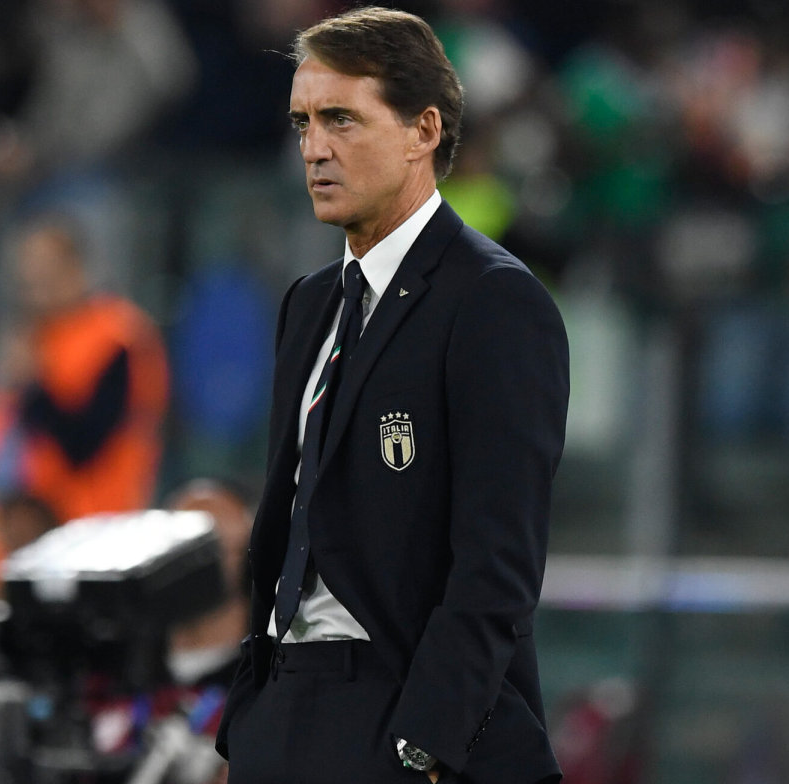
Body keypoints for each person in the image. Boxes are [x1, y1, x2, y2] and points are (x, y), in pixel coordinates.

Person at [215, 8, 569, 784]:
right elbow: (288, 521)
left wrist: (426, 745)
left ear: (423, 130)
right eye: (303, 122)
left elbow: (498, 566)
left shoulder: (494, 301)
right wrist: (247, 720)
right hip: (283, 713)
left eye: (342, 119)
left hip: (400, 715)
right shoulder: (308, 304)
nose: (315, 147)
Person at [10, 214, 169, 523]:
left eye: (45, 270)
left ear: (74, 266)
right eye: (27, 276)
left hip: (102, 521)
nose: (34, 284)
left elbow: (85, 444)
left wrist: (34, 385)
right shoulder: (43, 336)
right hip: (47, 521)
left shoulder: (116, 335)